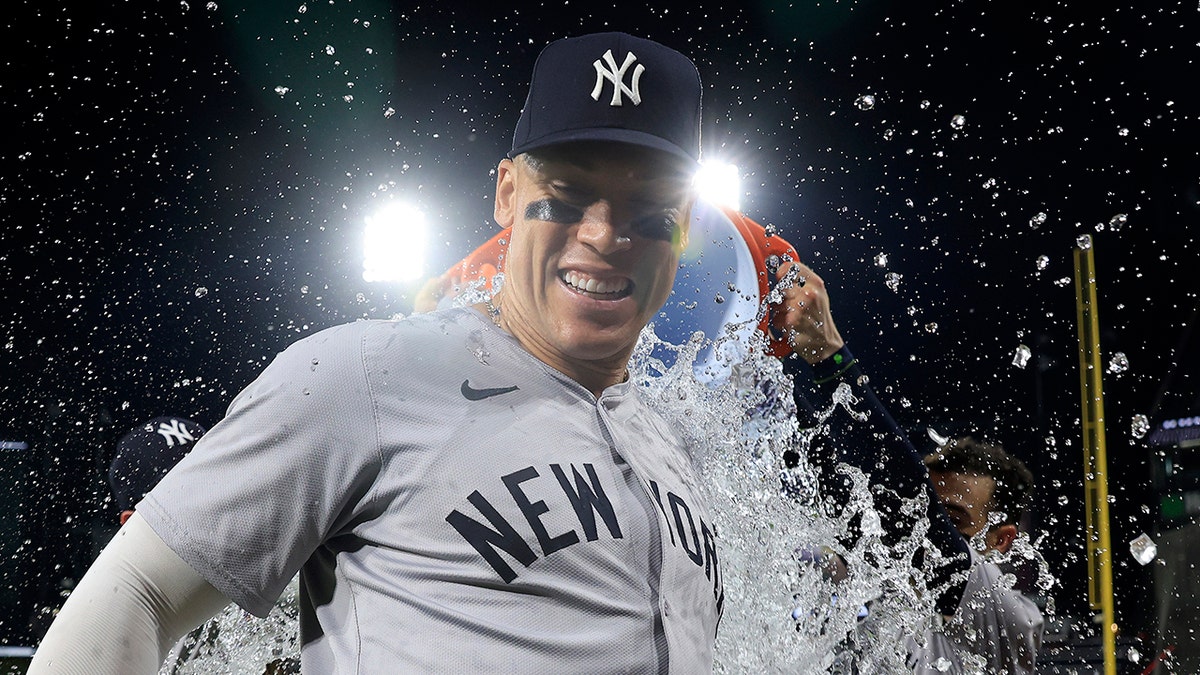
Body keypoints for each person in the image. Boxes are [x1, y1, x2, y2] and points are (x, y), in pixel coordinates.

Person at [30, 31, 802, 673]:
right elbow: (137, 592)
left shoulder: (672, 447)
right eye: (566, 194)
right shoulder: (366, 374)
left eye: (647, 207)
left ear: (686, 224)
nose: (604, 234)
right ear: (506, 194)